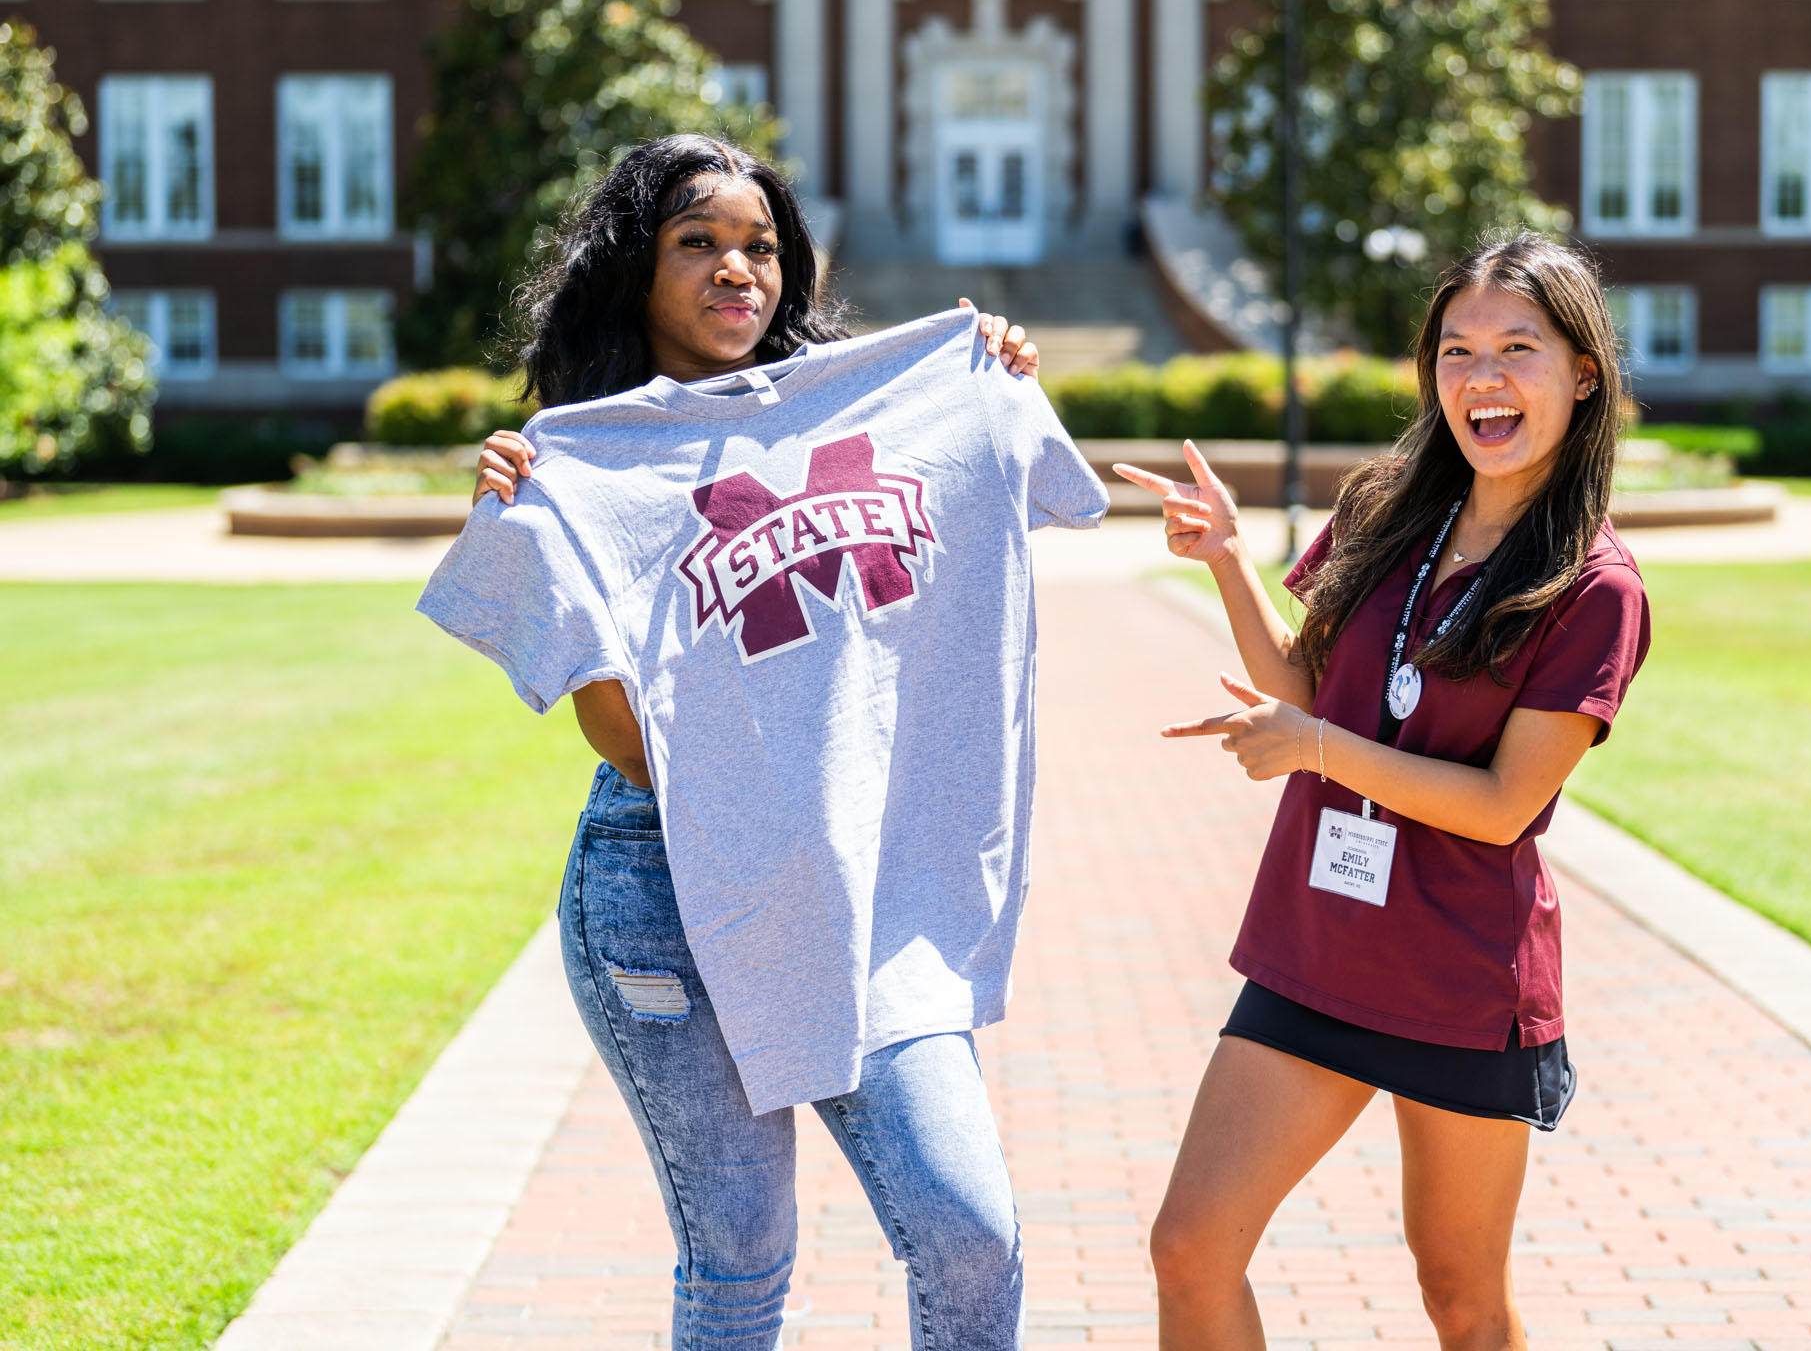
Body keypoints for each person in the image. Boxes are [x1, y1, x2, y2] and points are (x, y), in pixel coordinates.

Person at [421, 133, 1104, 1351]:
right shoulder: (577, 458)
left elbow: (1021, 488)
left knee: (973, 1230)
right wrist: (518, 520)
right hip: (666, 882)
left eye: (761, 247)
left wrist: (986, 380)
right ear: (637, 269)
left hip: (873, 881)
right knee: (740, 1260)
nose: (739, 270)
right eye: (700, 243)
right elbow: (620, 728)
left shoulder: (896, 400)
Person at [1116, 232, 1651, 1351]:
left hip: (1457, 974)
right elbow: (1310, 684)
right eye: (1456, 351)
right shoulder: (1388, 503)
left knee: (1460, 1297)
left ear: (1584, 372)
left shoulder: (1593, 587)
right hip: (1319, 940)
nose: (1481, 378)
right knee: (1189, 1246)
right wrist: (1223, 557)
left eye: (1517, 347)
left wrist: (1316, 749)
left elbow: (1504, 804)